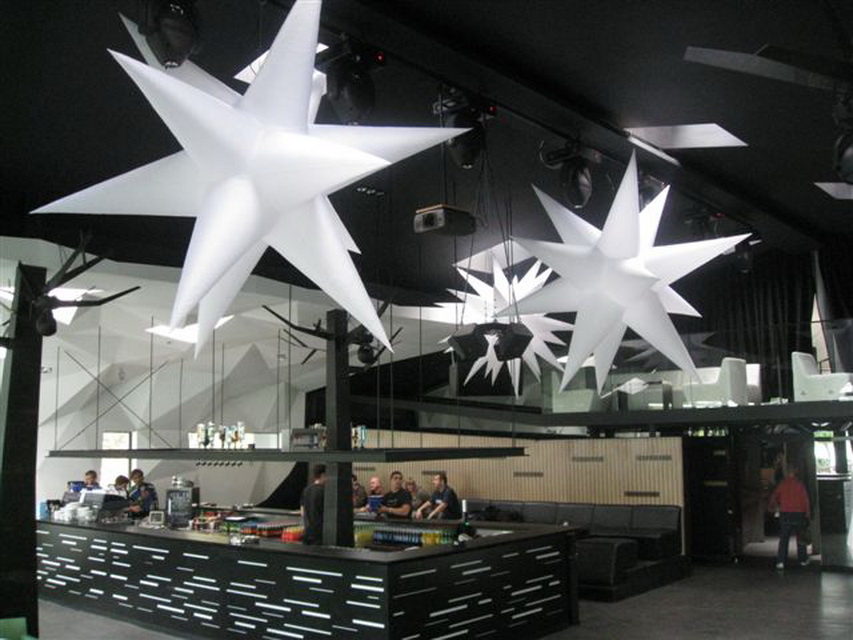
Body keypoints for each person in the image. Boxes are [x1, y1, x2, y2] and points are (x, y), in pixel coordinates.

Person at [768, 464, 810, 570]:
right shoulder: (800, 484)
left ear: (787, 473)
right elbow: (805, 500)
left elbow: (774, 496)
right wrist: (807, 514)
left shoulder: (782, 484)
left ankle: (781, 561)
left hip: (785, 513)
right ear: (795, 472)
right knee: (800, 538)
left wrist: (775, 506)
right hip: (799, 513)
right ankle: (802, 560)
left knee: (784, 538)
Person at [301, 464, 326, 545]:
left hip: (307, 532)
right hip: (320, 535)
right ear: (323, 475)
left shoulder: (306, 490)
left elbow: (302, 512)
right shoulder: (324, 491)